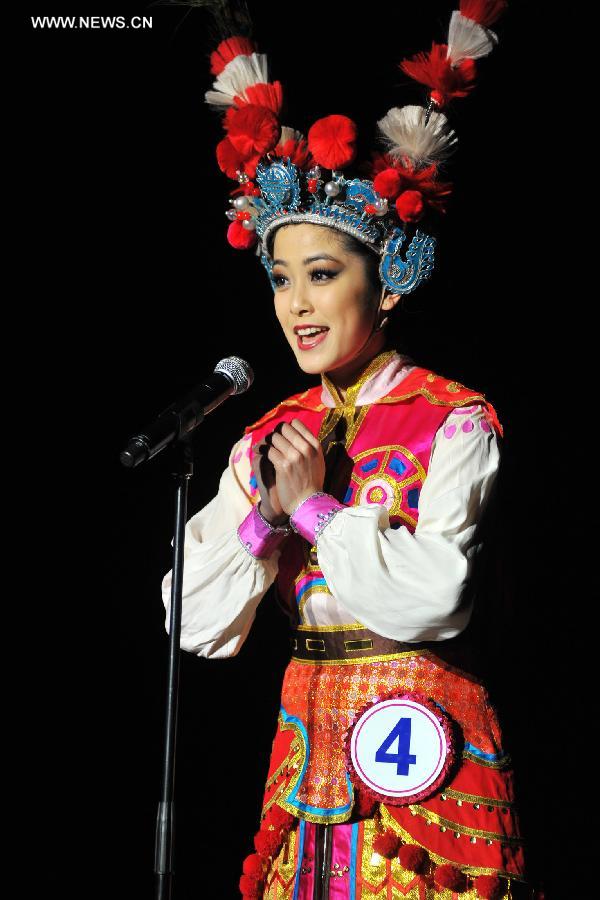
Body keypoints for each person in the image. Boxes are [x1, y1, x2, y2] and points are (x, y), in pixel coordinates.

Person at [161, 3, 531, 896]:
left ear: (389, 283)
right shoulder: (264, 436)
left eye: (324, 276)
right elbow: (193, 619)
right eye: (283, 279)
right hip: (308, 727)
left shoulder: (453, 418)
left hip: (420, 726)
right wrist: (261, 528)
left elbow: (439, 594)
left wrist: (318, 512)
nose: (296, 305)